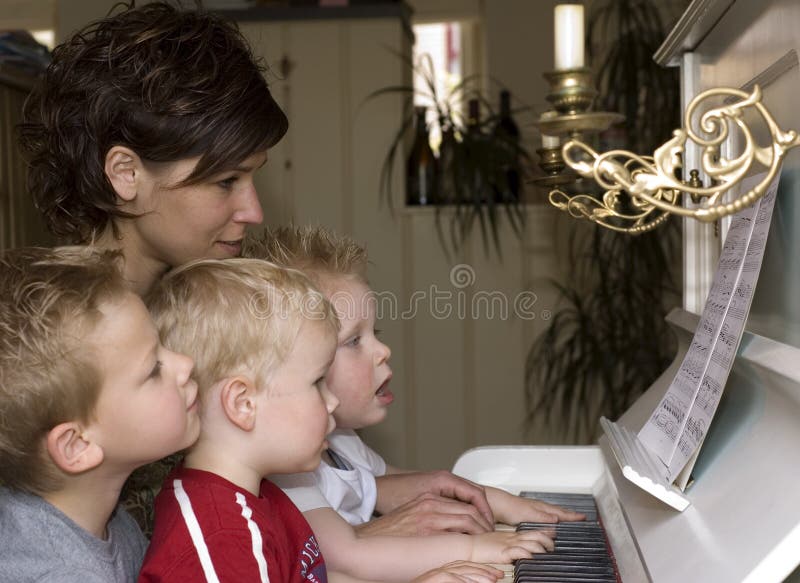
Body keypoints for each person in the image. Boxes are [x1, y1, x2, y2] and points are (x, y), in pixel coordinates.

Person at [139, 257, 517, 582]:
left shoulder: (261, 496)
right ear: (243, 403)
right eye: (317, 382)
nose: (332, 401)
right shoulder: (220, 535)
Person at [242, 227, 575, 581]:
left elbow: (394, 486)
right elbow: (345, 558)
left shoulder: (341, 441)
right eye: (354, 340)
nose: (383, 351)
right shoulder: (288, 470)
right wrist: (479, 548)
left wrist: (506, 502)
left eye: (376, 334)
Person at [18, 1, 287, 297]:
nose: (254, 213)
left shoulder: (211, 310)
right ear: (127, 173)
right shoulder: (48, 336)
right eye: (226, 181)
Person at [0, 246, 201, 583]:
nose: (186, 364)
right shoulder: (59, 573)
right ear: (77, 445)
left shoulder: (103, 516)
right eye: (153, 369)